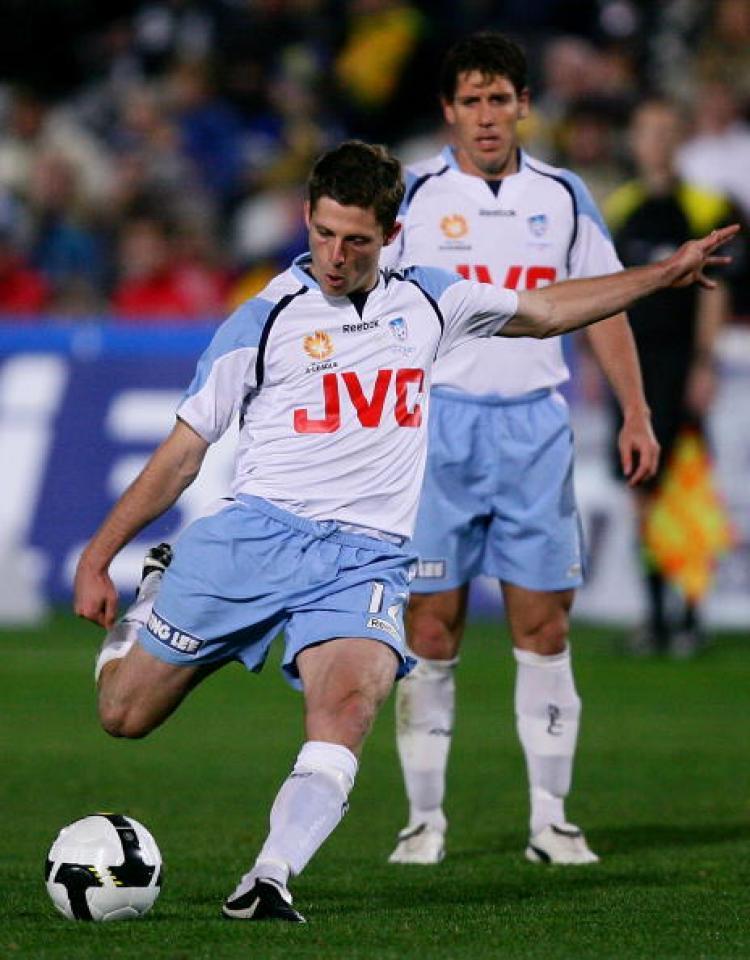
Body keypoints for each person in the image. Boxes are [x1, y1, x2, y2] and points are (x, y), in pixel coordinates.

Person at [73, 139, 735, 923]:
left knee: (348, 707)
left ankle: (269, 876)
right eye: (321, 233)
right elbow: (184, 455)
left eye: (356, 240)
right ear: (306, 220)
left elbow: (550, 309)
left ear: (390, 235)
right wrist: (99, 554)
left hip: (366, 560)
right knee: (125, 715)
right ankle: (157, 598)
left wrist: (661, 276)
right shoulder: (265, 318)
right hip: (256, 538)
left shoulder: (429, 299)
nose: (334, 255)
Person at [379, 32, 660, 868]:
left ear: (525, 105)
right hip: (440, 428)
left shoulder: (565, 196)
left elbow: (604, 306)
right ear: (448, 111)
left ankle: (551, 818)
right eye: (472, 100)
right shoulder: (415, 195)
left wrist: (636, 411)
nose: (488, 116)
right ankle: (423, 820)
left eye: (500, 98)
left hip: (536, 426)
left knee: (543, 624)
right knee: (431, 626)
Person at [605, 98, 735, 657]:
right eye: (645, 131)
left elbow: (718, 289)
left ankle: (689, 612)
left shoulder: (703, 204)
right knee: (640, 490)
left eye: (665, 131)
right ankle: (655, 615)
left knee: (684, 488)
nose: (654, 141)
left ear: (679, 138)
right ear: (634, 141)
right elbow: (606, 292)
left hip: (681, 361)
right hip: (635, 363)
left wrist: (705, 363)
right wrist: (598, 364)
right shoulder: (620, 207)